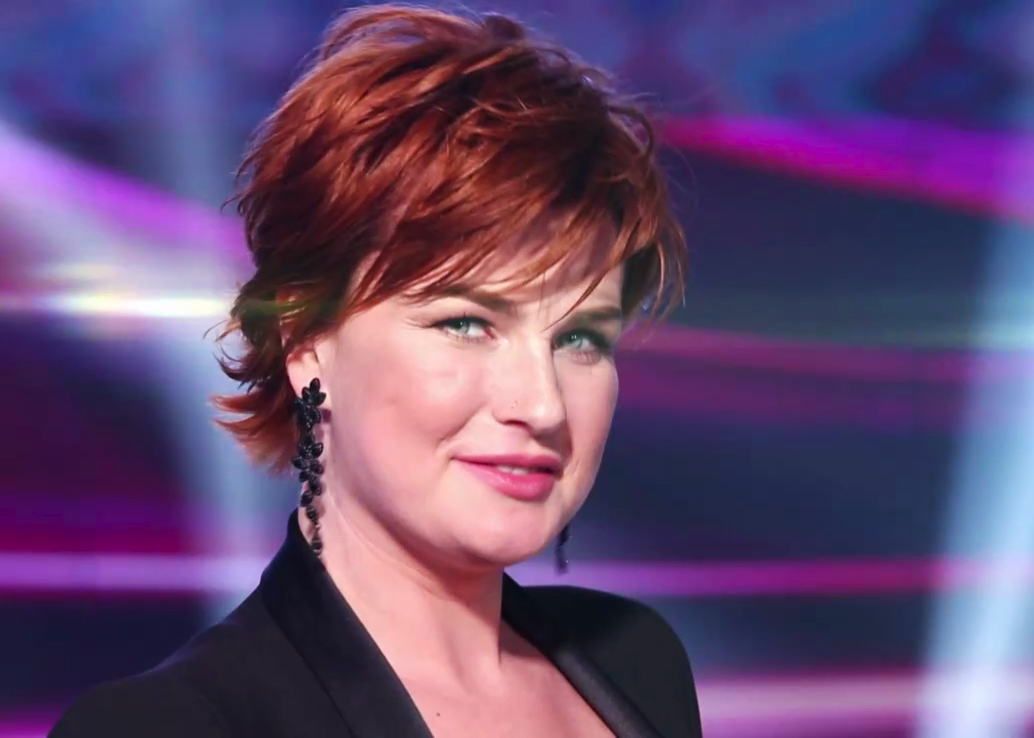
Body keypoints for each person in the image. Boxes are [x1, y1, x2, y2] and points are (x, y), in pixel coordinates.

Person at [50, 5, 699, 737]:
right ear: (306, 343)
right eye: (466, 324)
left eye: (580, 338)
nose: (542, 404)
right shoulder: (172, 725)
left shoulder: (637, 661)